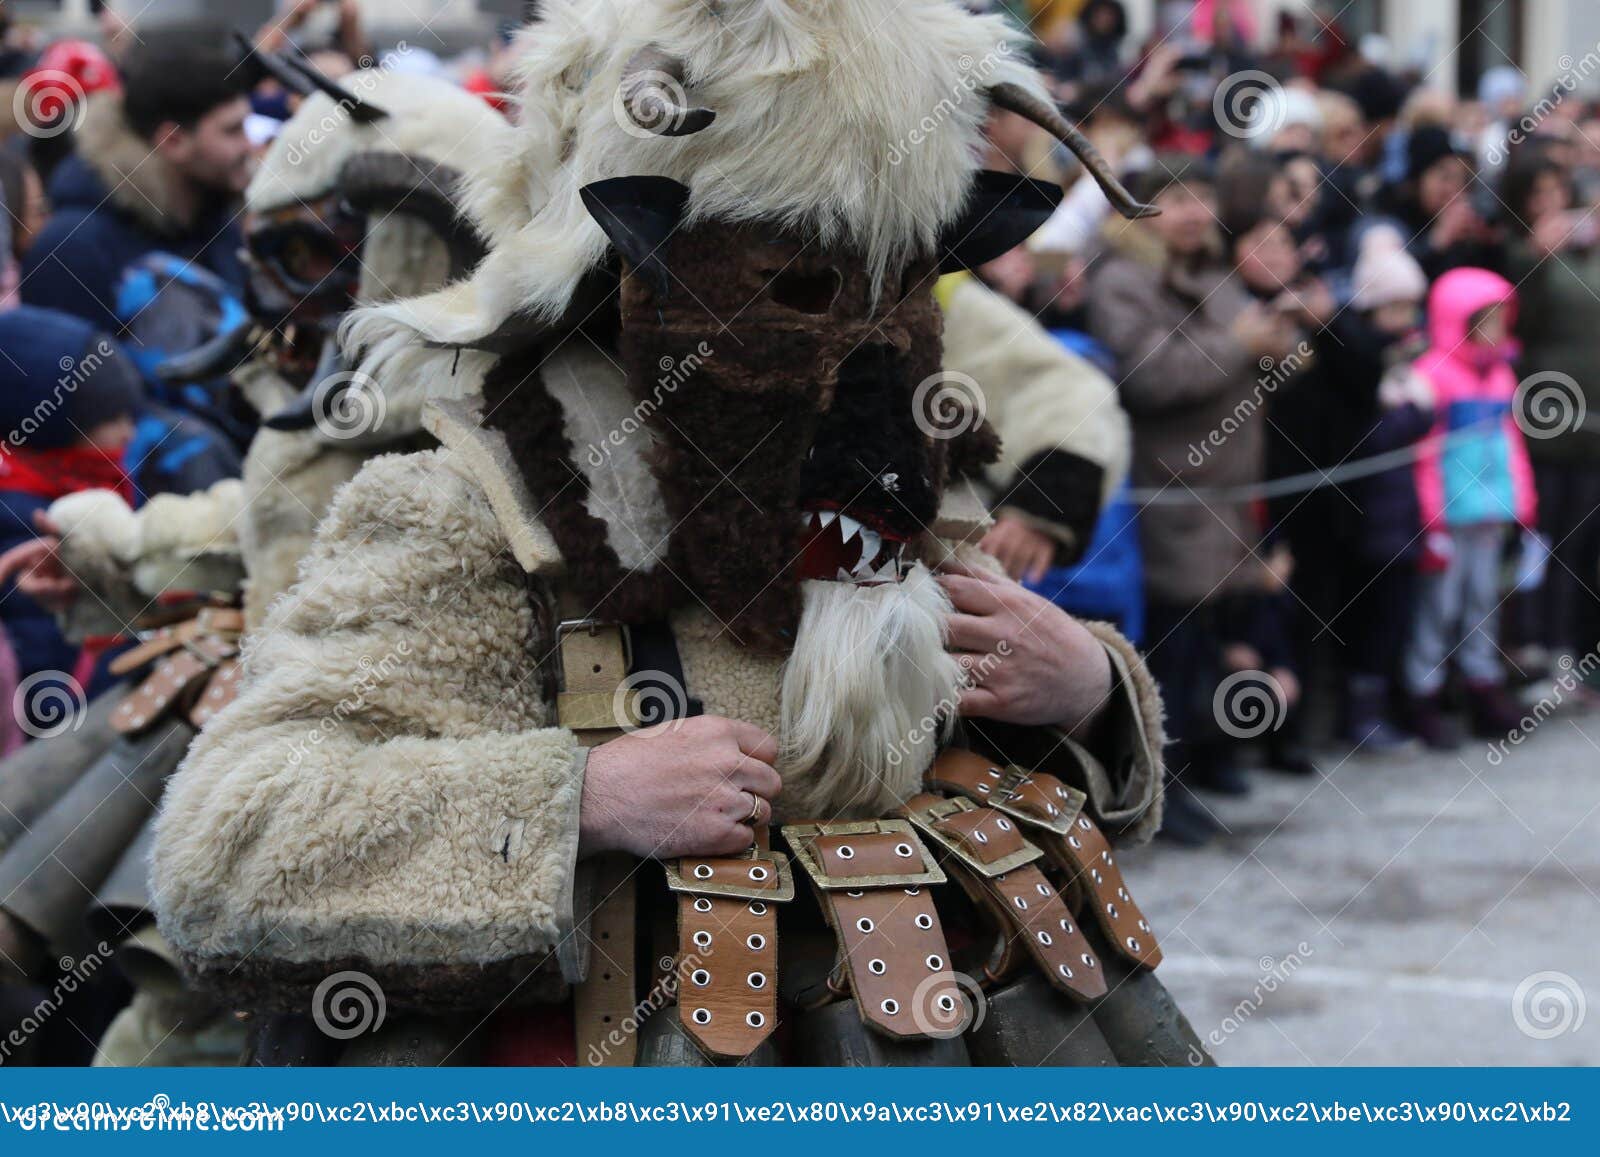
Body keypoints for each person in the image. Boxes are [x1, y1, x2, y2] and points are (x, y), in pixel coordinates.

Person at [152, 1, 1198, 1069]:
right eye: (787, 277)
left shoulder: (901, 464)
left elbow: (961, 777)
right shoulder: (467, 502)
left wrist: (1092, 693)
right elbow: (229, 844)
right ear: (634, 263)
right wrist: (578, 800)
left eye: (895, 276)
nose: (859, 344)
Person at [1089, 156, 1298, 842]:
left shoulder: (1216, 275)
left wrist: (1283, 339)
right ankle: (1156, 790)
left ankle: (1200, 768)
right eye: (1173, 198)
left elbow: (1262, 357)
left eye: (1202, 196)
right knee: (1168, 653)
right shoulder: (1122, 279)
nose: (1191, 212)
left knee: (1207, 644)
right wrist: (1237, 342)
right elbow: (1150, 377)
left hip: (1228, 498)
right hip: (1168, 495)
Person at [22, 40, 253, 335]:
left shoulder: (213, 217)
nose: (250, 146)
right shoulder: (72, 251)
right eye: (233, 131)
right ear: (173, 142)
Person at [1404, 269, 1536, 747]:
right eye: (1487, 320)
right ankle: (1424, 691)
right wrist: (1431, 519)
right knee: (1439, 605)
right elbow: (1422, 457)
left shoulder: (1501, 373)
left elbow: (1512, 440)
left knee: (1483, 600)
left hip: (1490, 509)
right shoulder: (1432, 375)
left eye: (1502, 318)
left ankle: (1483, 685)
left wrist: (1523, 500)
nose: (1498, 329)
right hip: (1449, 513)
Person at [0, 306, 142, 720]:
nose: (127, 433)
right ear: (52, 428)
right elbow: (48, 667)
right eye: (110, 419)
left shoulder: (90, 481)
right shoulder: (22, 521)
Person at [1501, 153, 1600, 679]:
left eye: (1555, 191)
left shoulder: (1589, 250)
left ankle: (1575, 648)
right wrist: (1536, 260)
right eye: (1536, 195)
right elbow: (1521, 326)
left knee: (1582, 545)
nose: (1550, 204)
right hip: (1544, 427)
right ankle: (1531, 647)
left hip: (1592, 429)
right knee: (1540, 542)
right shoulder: (1520, 256)